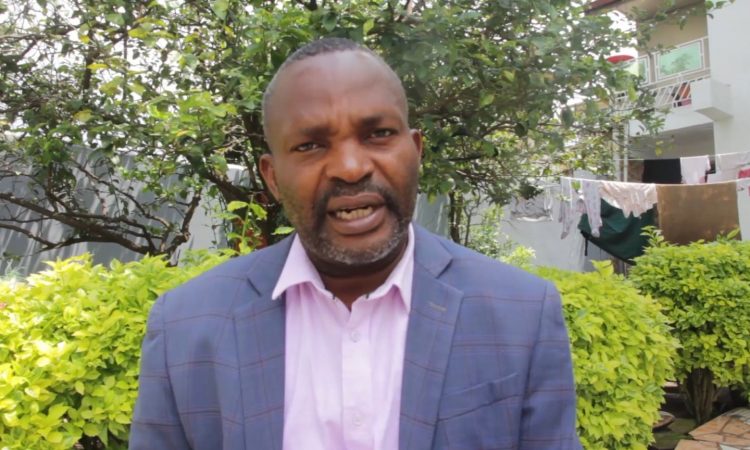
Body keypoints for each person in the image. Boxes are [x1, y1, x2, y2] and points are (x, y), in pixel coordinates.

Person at [129, 37, 582, 450]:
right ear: (272, 177)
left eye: (378, 134)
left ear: (416, 151)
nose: (350, 167)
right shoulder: (185, 329)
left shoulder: (522, 314)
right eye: (310, 145)